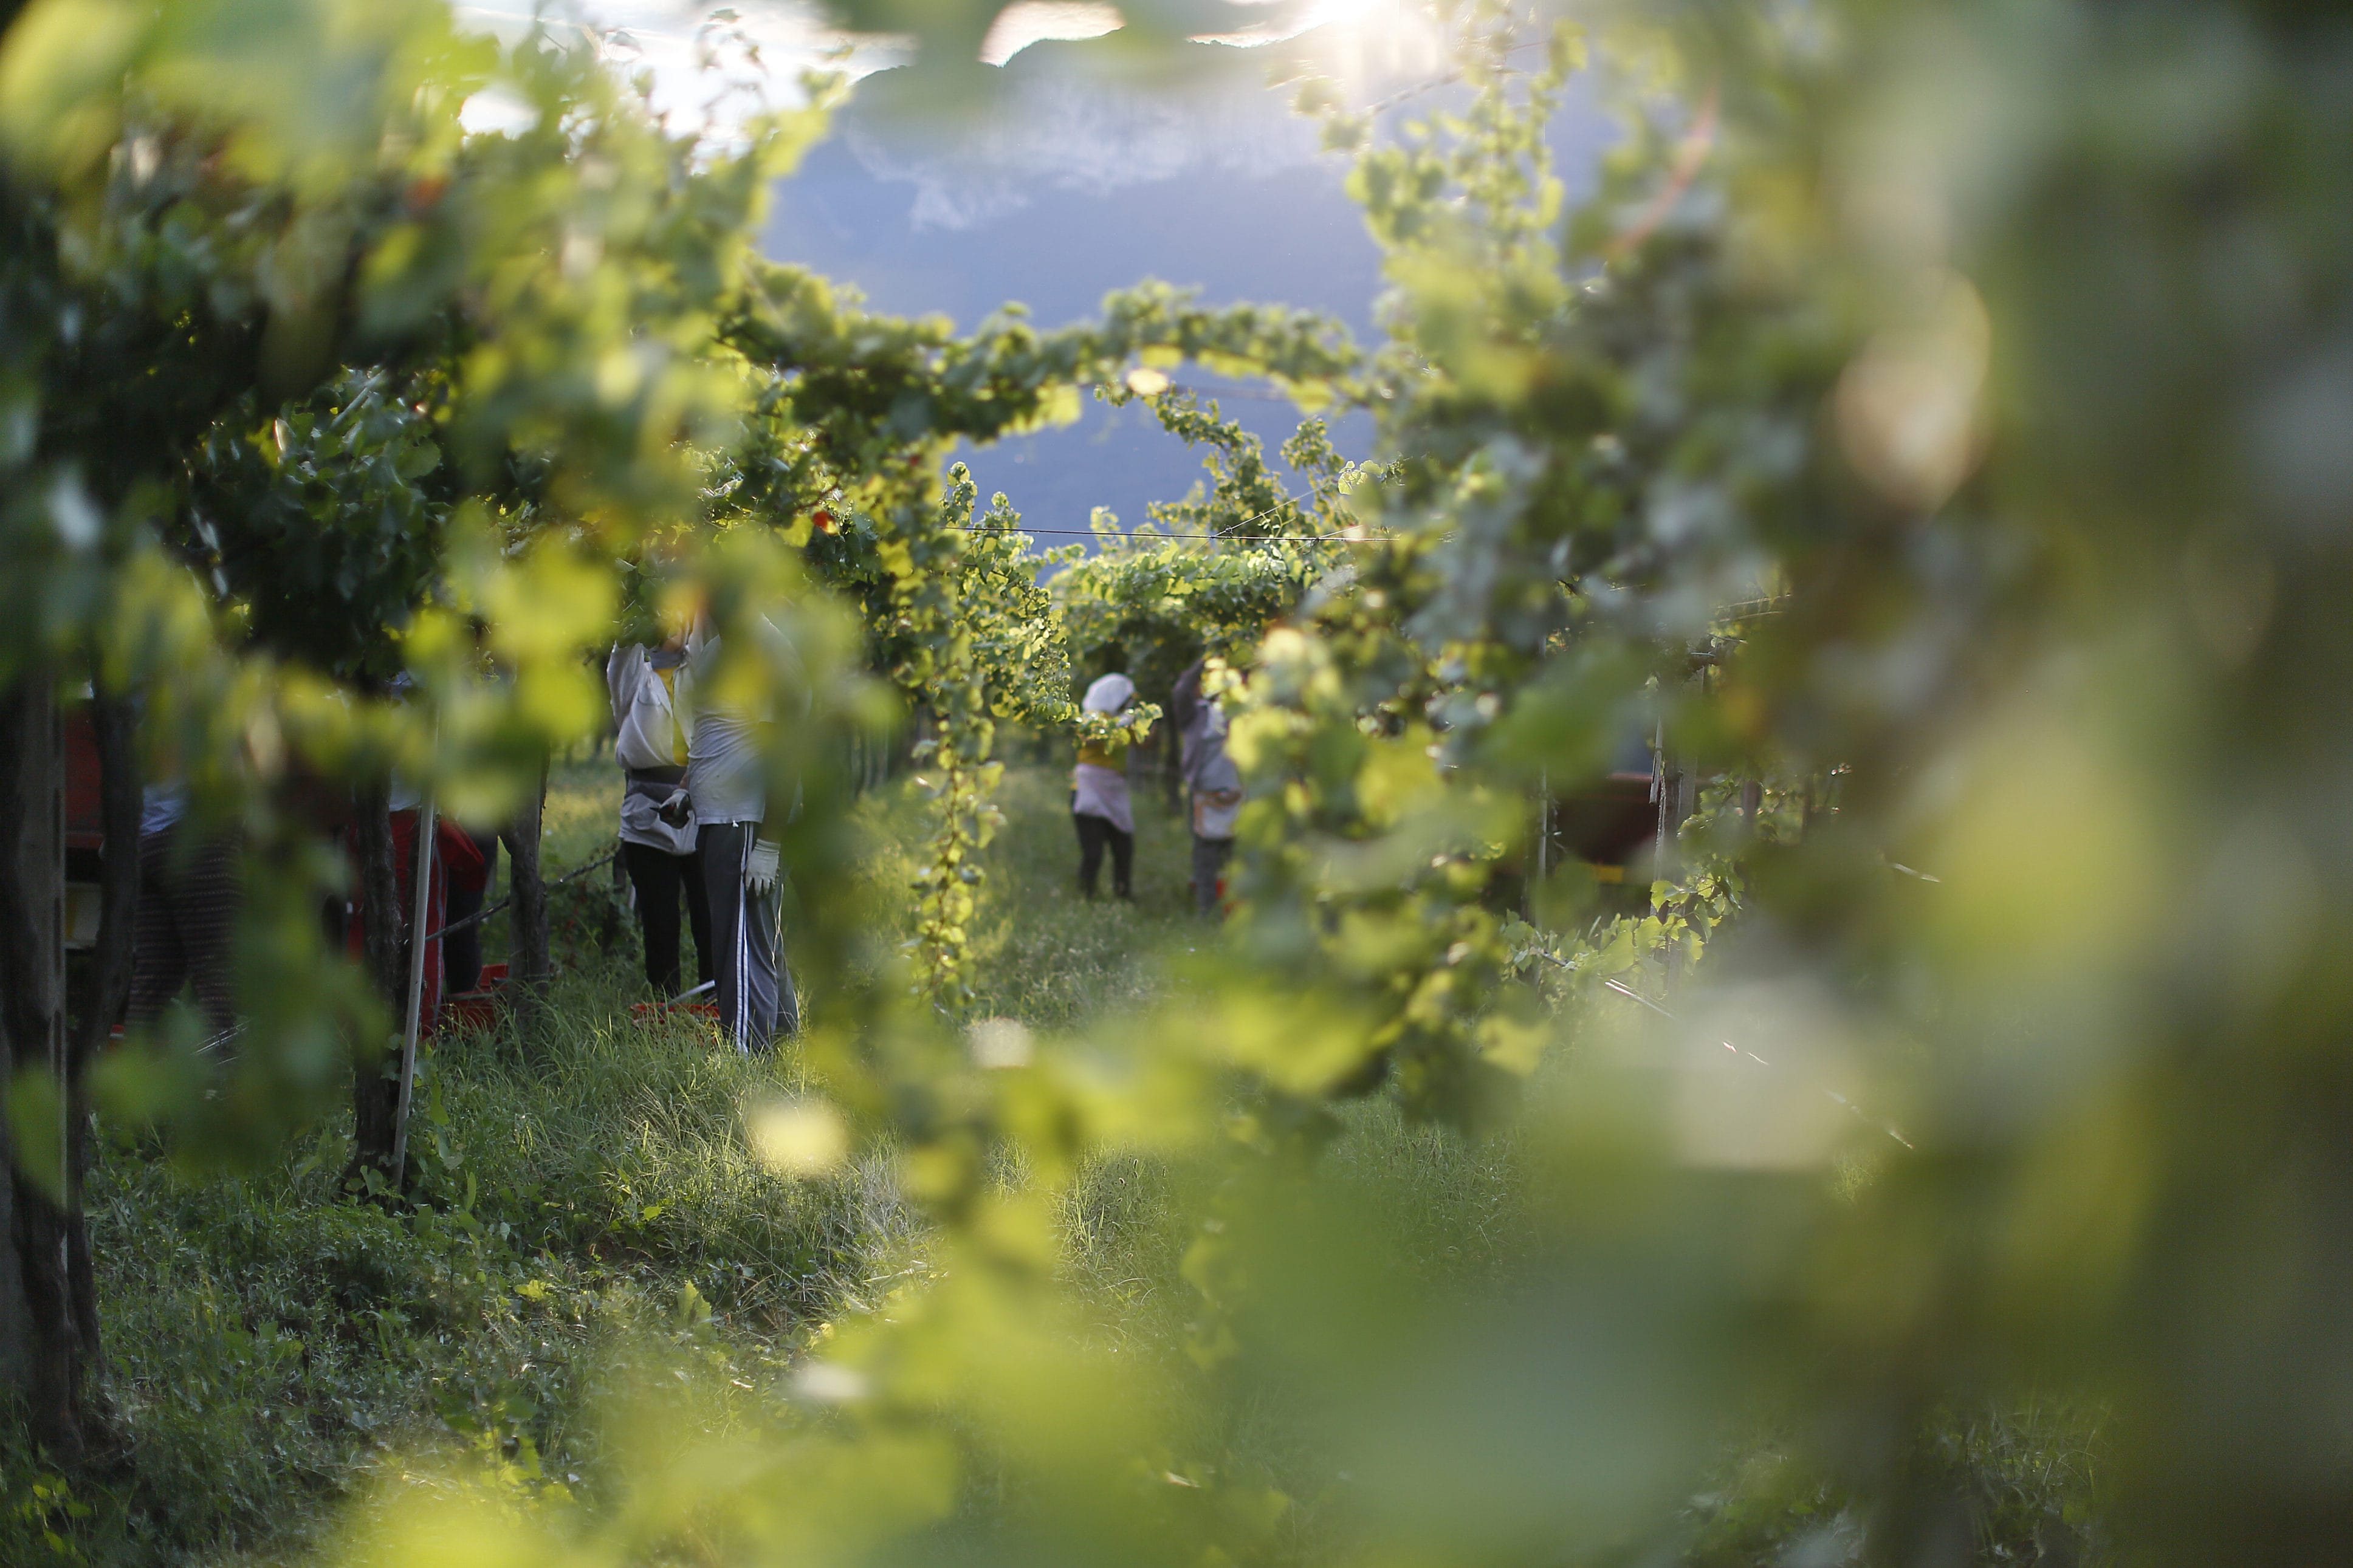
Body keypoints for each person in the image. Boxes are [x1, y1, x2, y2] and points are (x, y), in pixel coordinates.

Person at [687, 613, 800, 1053]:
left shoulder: (761, 652)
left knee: (739, 949)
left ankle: (747, 1058)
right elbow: (720, 732)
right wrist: (687, 790)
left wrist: (768, 845)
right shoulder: (724, 643)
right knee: (760, 940)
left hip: (744, 821)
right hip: (725, 815)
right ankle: (784, 1040)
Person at [609, 630, 713, 999]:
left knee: (710, 922)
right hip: (646, 817)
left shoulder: (701, 670)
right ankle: (664, 1010)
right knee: (660, 925)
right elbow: (624, 648)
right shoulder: (635, 677)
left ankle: (716, 1009)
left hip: (702, 808)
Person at [126, 779, 241, 1038]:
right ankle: (224, 1071)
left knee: (155, 980)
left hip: (148, 838)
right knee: (220, 971)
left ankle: (135, 1071)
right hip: (197, 839)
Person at [1180, 668, 1243, 916]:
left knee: (1237, 859)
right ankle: (1207, 912)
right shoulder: (1196, 715)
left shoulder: (1243, 714)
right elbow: (1182, 690)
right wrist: (1206, 658)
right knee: (1205, 858)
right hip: (1205, 799)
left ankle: (1237, 912)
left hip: (1238, 798)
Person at [1073, 672, 1138, 900]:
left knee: (1124, 845)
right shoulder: (1091, 718)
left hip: (1115, 787)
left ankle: (1123, 892)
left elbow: (1147, 742)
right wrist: (1116, 726)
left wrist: (1144, 723)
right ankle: (1086, 894)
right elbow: (1090, 739)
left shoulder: (1125, 719)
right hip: (1088, 787)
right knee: (1093, 851)